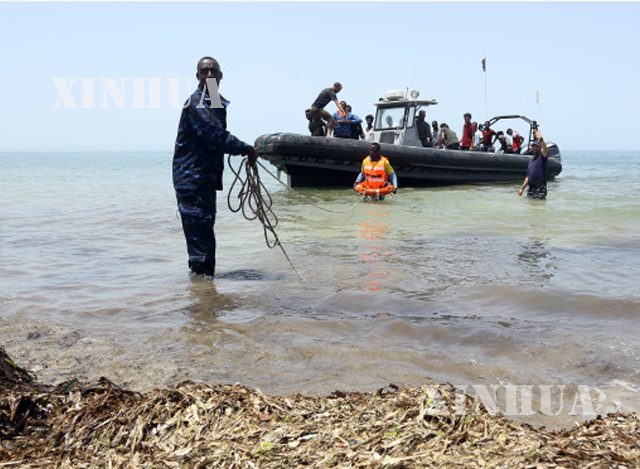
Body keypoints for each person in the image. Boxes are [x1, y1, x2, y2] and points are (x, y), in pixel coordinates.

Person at [173, 56, 258, 277]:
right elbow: (214, 136)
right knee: (200, 240)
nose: (209, 75)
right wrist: (245, 148)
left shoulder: (215, 102)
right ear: (198, 76)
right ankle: (202, 295)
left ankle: (203, 292)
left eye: (213, 71)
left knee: (205, 234)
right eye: (204, 71)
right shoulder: (196, 102)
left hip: (205, 179)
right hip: (192, 179)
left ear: (220, 75)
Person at [518, 129, 549, 199]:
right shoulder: (530, 162)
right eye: (533, 146)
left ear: (540, 148)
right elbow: (527, 177)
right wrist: (522, 189)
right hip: (531, 189)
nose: (535, 148)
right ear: (531, 148)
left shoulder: (542, 158)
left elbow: (545, 149)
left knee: (539, 208)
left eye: (537, 146)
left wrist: (541, 139)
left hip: (540, 189)